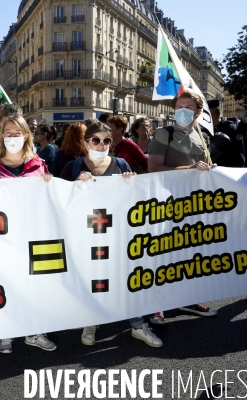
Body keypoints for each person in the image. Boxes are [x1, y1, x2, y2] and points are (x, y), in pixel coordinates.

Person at [57, 122, 163, 348]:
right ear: (86, 143)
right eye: (95, 140)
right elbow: (58, 200)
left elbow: (135, 201)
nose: (101, 144)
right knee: (93, 280)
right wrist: (74, 186)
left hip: (117, 235)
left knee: (124, 279)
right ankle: (91, 321)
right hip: (87, 236)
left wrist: (132, 184)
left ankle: (138, 325)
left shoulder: (121, 164)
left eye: (106, 141)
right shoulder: (73, 167)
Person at [0, 114, 56, 353]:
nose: (12, 137)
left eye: (16, 133)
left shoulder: (38, 164)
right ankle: (7, 331)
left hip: (32, 234)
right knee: (5, 283)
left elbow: (48, 197)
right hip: (1, 236)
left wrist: (49, 183)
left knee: (33, 285)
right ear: (1, 136)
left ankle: (33, 331)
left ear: (26, 136)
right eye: (7, 133)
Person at [147, 90, 217, 320]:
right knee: (163, 254)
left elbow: (205, 167)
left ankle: (188, 299)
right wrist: (189, 170)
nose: (181, 111)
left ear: (198, 112)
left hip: (194, 205)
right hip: (165, 205)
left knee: (189, 254)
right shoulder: (163, 135)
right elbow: (153, 169)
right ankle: (157, 304)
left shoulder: (202, 136)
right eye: (178, 107)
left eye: (187, 107)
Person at [208, 100, 244, 167]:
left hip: (227, 169)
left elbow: (238, 152)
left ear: (210, 114)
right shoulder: (205, 130)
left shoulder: (231, 128)